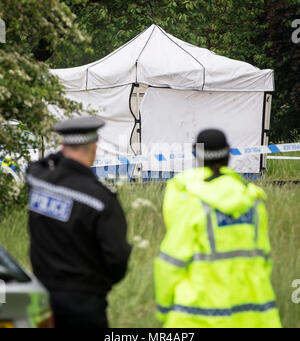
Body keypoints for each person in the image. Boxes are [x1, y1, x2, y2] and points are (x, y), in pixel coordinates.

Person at [154, 129, 282, 328]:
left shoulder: (193, 204)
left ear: (196, 154)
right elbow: (265, 257)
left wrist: (163, 310)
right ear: (229, 153)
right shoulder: (254, 202)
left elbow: (170, 263)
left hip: (198, 316)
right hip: (253, 315)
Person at [27, 117, 132, 328]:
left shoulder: (38, 181)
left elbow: (33, 167)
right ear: (94, 146)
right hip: (84, 304)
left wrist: (60, 156)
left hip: (41, 300)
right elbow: (117, 259)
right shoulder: (100, 200)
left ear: (62, 146)